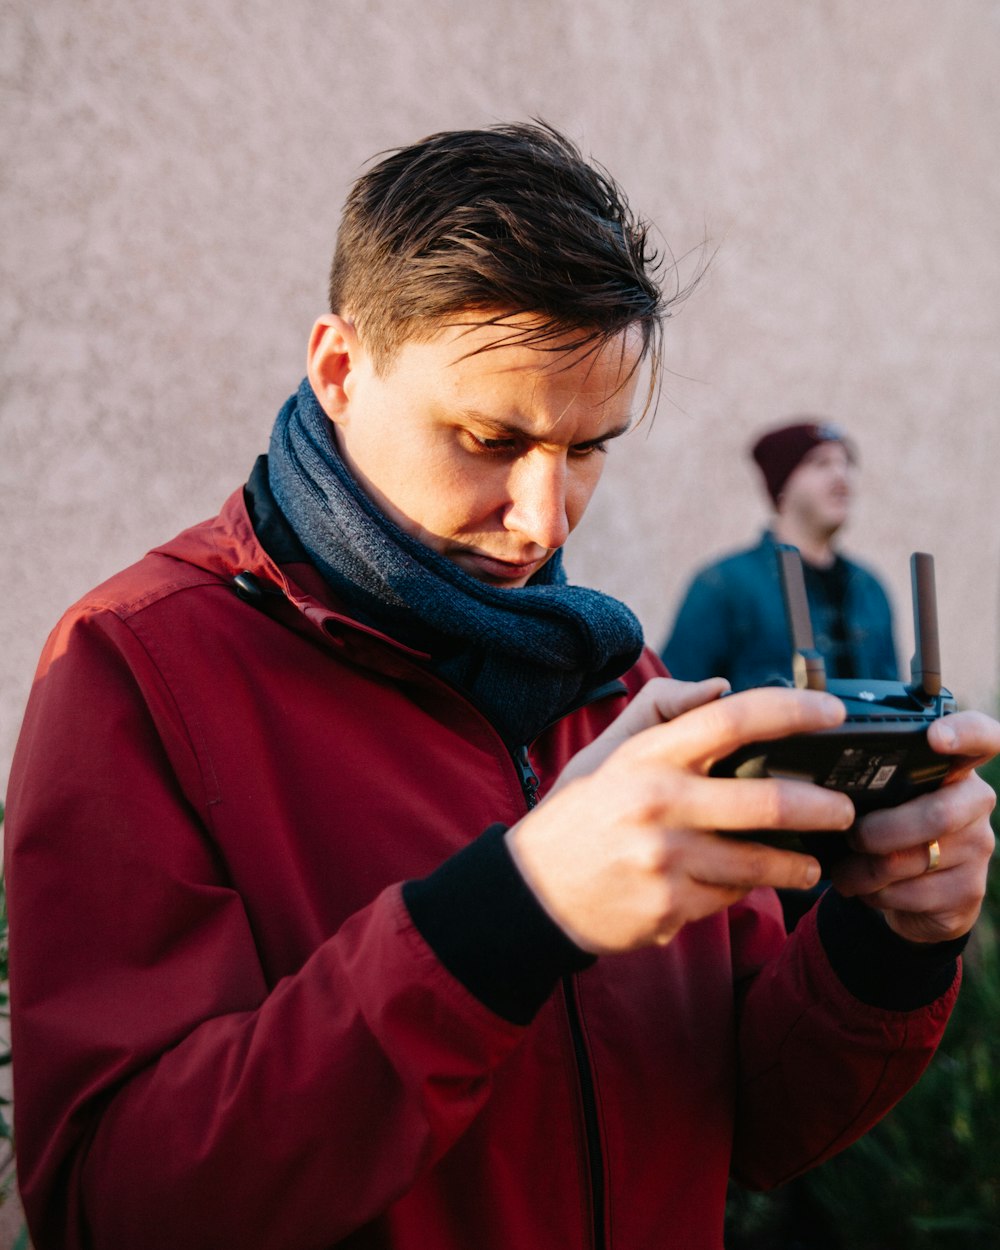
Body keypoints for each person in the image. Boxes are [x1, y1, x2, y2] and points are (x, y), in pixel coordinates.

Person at [4, 123, 997, 1250]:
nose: (544, 520)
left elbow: (747, 1125)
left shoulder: (619, 674)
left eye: (588, 449)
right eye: (488, 437)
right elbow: (110, 1204)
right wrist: (516, 912)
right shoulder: (131, 669)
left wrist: (888, 940)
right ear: (338, 367)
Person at [661, 420, 899, 690]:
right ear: (782, 485)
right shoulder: (725, 584)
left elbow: (894, 697)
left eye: (846, 463)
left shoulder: (869, 587)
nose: (841, 476)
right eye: (821, 463)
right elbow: (677, 694)